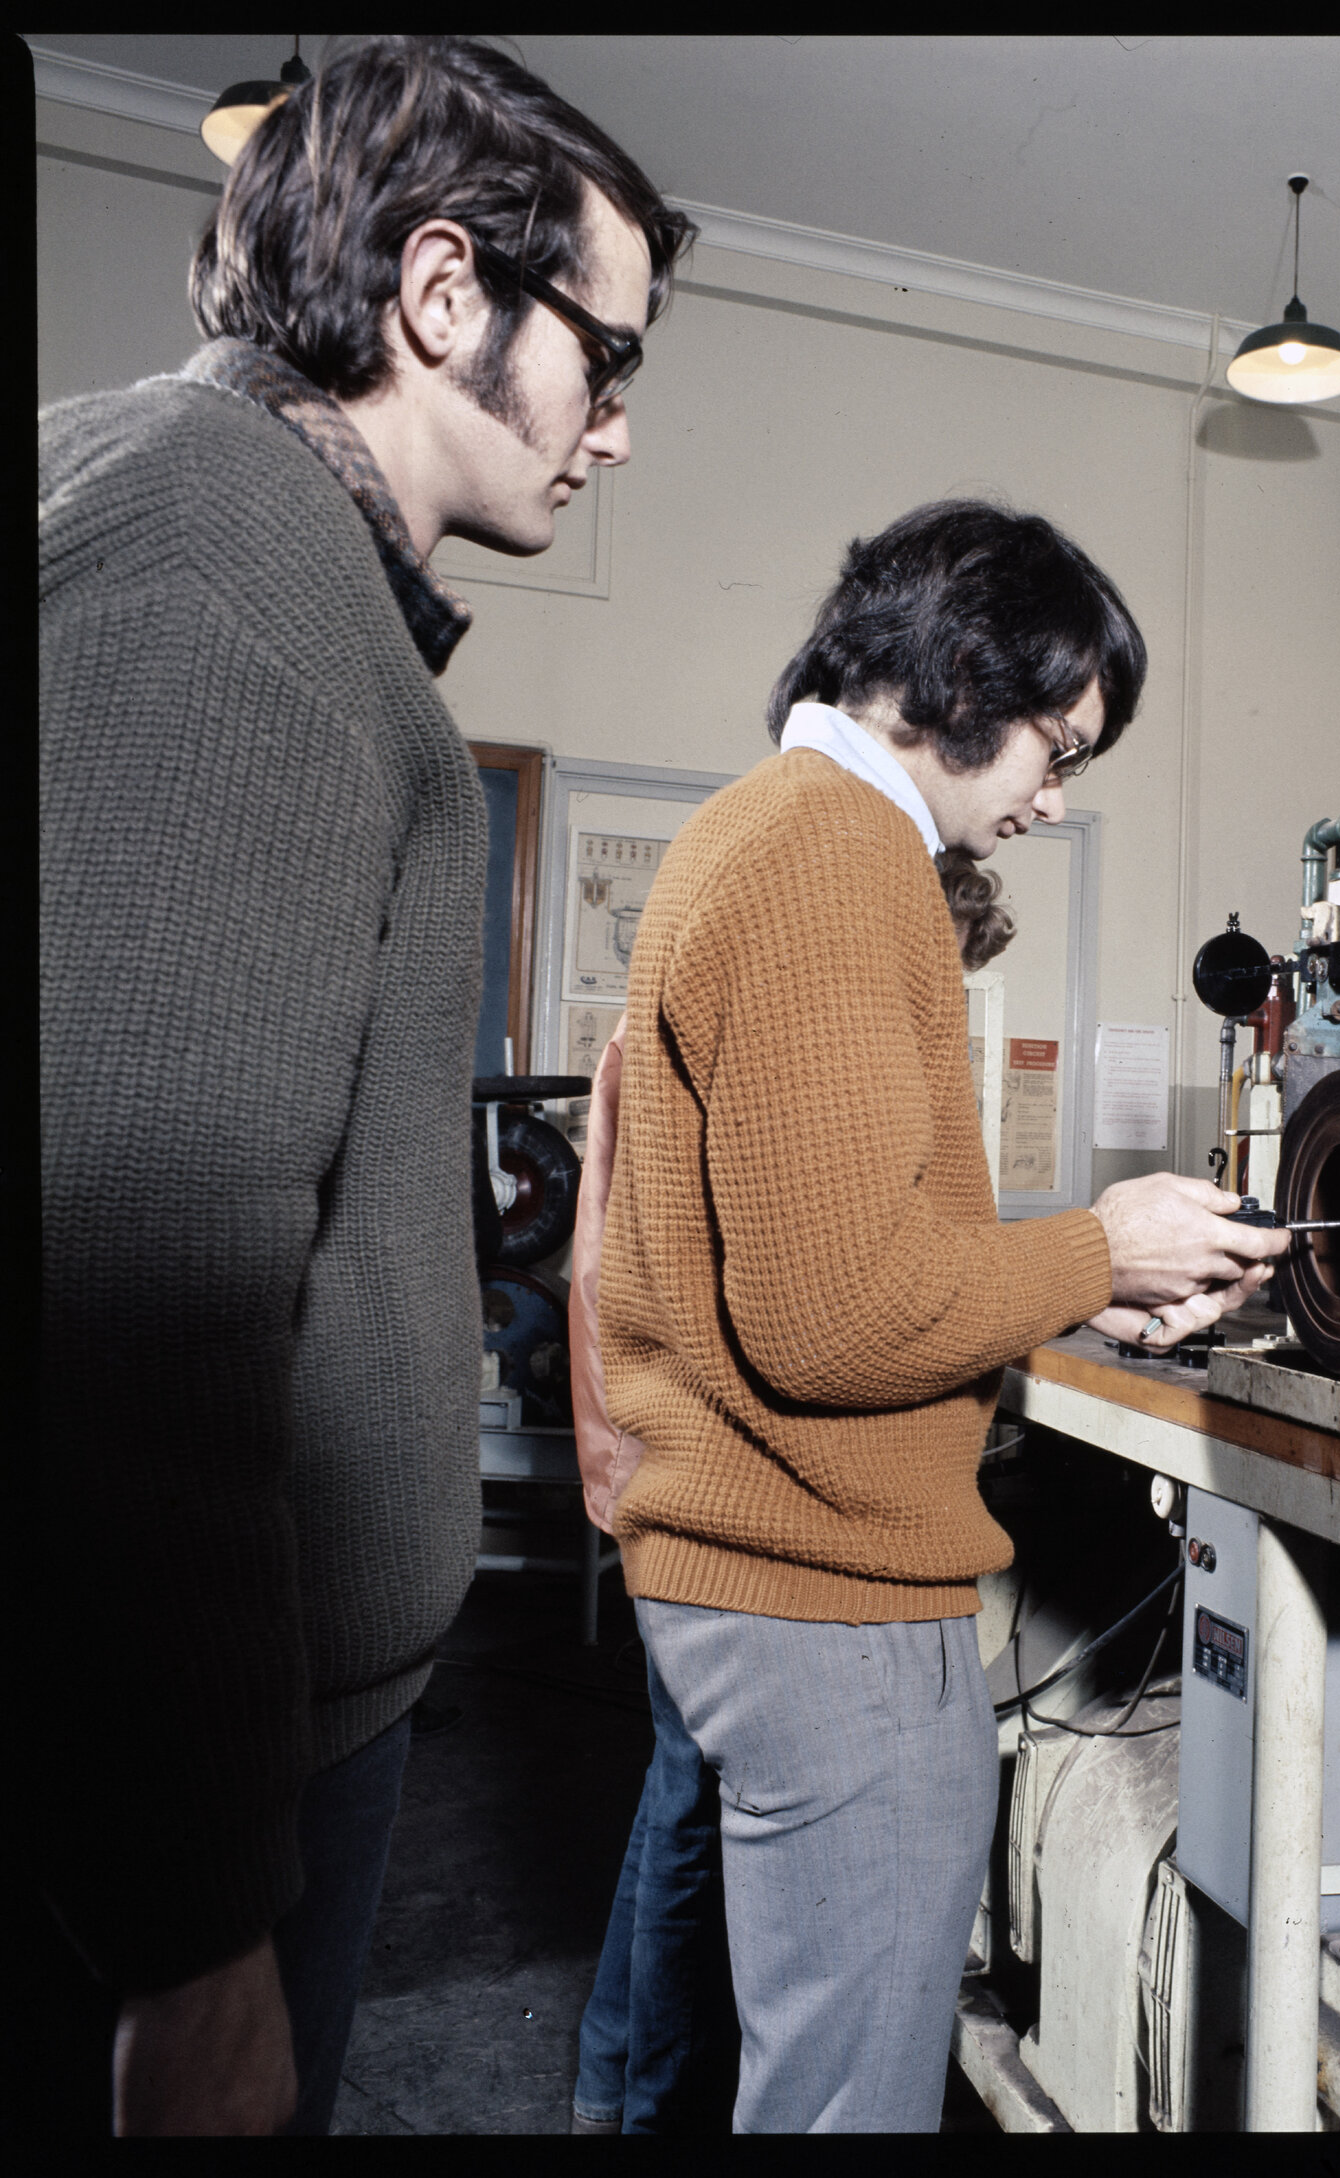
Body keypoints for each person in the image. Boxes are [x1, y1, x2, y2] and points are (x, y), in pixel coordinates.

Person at [35, 36, 693, 2137]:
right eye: (606, 354)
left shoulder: (233, 543)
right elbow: (140, 1287)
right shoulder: (225, 558)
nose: (616, 429)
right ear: (438, 295)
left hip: (258, 1744)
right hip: (199, 1806)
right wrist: (196, 1932)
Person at [596, 499, 1290, 2132]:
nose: (1053, 798)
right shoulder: (834, 856)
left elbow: (857, 1249)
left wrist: (1086, 1287)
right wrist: (1097, 1249)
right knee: (847, 2103)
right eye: (1058, 745)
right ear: (964, 674)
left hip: (782, 1574)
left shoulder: (780, 833)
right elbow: (834, 1313)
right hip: (819, 1600)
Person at [566, 854, 1018, 2135]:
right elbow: (795, 1304)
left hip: (669, 1474)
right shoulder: (777, 1000)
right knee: (683, 1814)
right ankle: (643, 2106)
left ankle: (614, 2082)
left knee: (681, 1806)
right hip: (694, 1493)